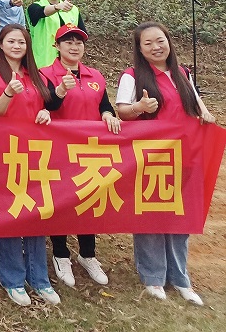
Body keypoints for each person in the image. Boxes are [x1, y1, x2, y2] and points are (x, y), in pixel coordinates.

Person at [115, 21, 215, 304]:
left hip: (185, 155)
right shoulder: (132, 76)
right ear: (139, 49)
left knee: (181, 215)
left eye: (160, 40)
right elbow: (122, 111)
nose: (156, 47)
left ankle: (180, 277)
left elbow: (195, 102)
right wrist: (139, 108)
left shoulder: (182, 73)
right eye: (147, 43)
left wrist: (206, 115)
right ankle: (153, 276)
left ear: (169, 42)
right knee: (151, 215)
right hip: (152, 157)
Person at [0, 24, 63, 308]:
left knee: (35, 212)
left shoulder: (36, 75)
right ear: (0, 44)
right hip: (4, 152)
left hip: (35, 153)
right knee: (10, 213)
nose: (17, 46)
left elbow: (45, 105)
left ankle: (39, 277)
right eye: (11, 41)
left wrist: (45, 112)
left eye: (22, 42)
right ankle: (13, 278)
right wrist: (7, 93)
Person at [39, 24, 119, 288]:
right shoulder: (46, 74)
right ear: (57, 46)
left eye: (78, 42)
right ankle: (61, 254)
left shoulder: (95, 75)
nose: (74, 47)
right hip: (59, 150)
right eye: (68, 42)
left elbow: (104, 105)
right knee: (61, 201)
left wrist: (107, 114)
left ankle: (87, 254)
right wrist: (61, 90)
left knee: (88, 199)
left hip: (90, 151)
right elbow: (46, 105)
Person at [28, 0, 85, 68]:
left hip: (69, 65)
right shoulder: (34, 7)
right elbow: (41, 12)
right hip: (43, 65)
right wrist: (57, 7)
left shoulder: (73, 10)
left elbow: (82, 36)